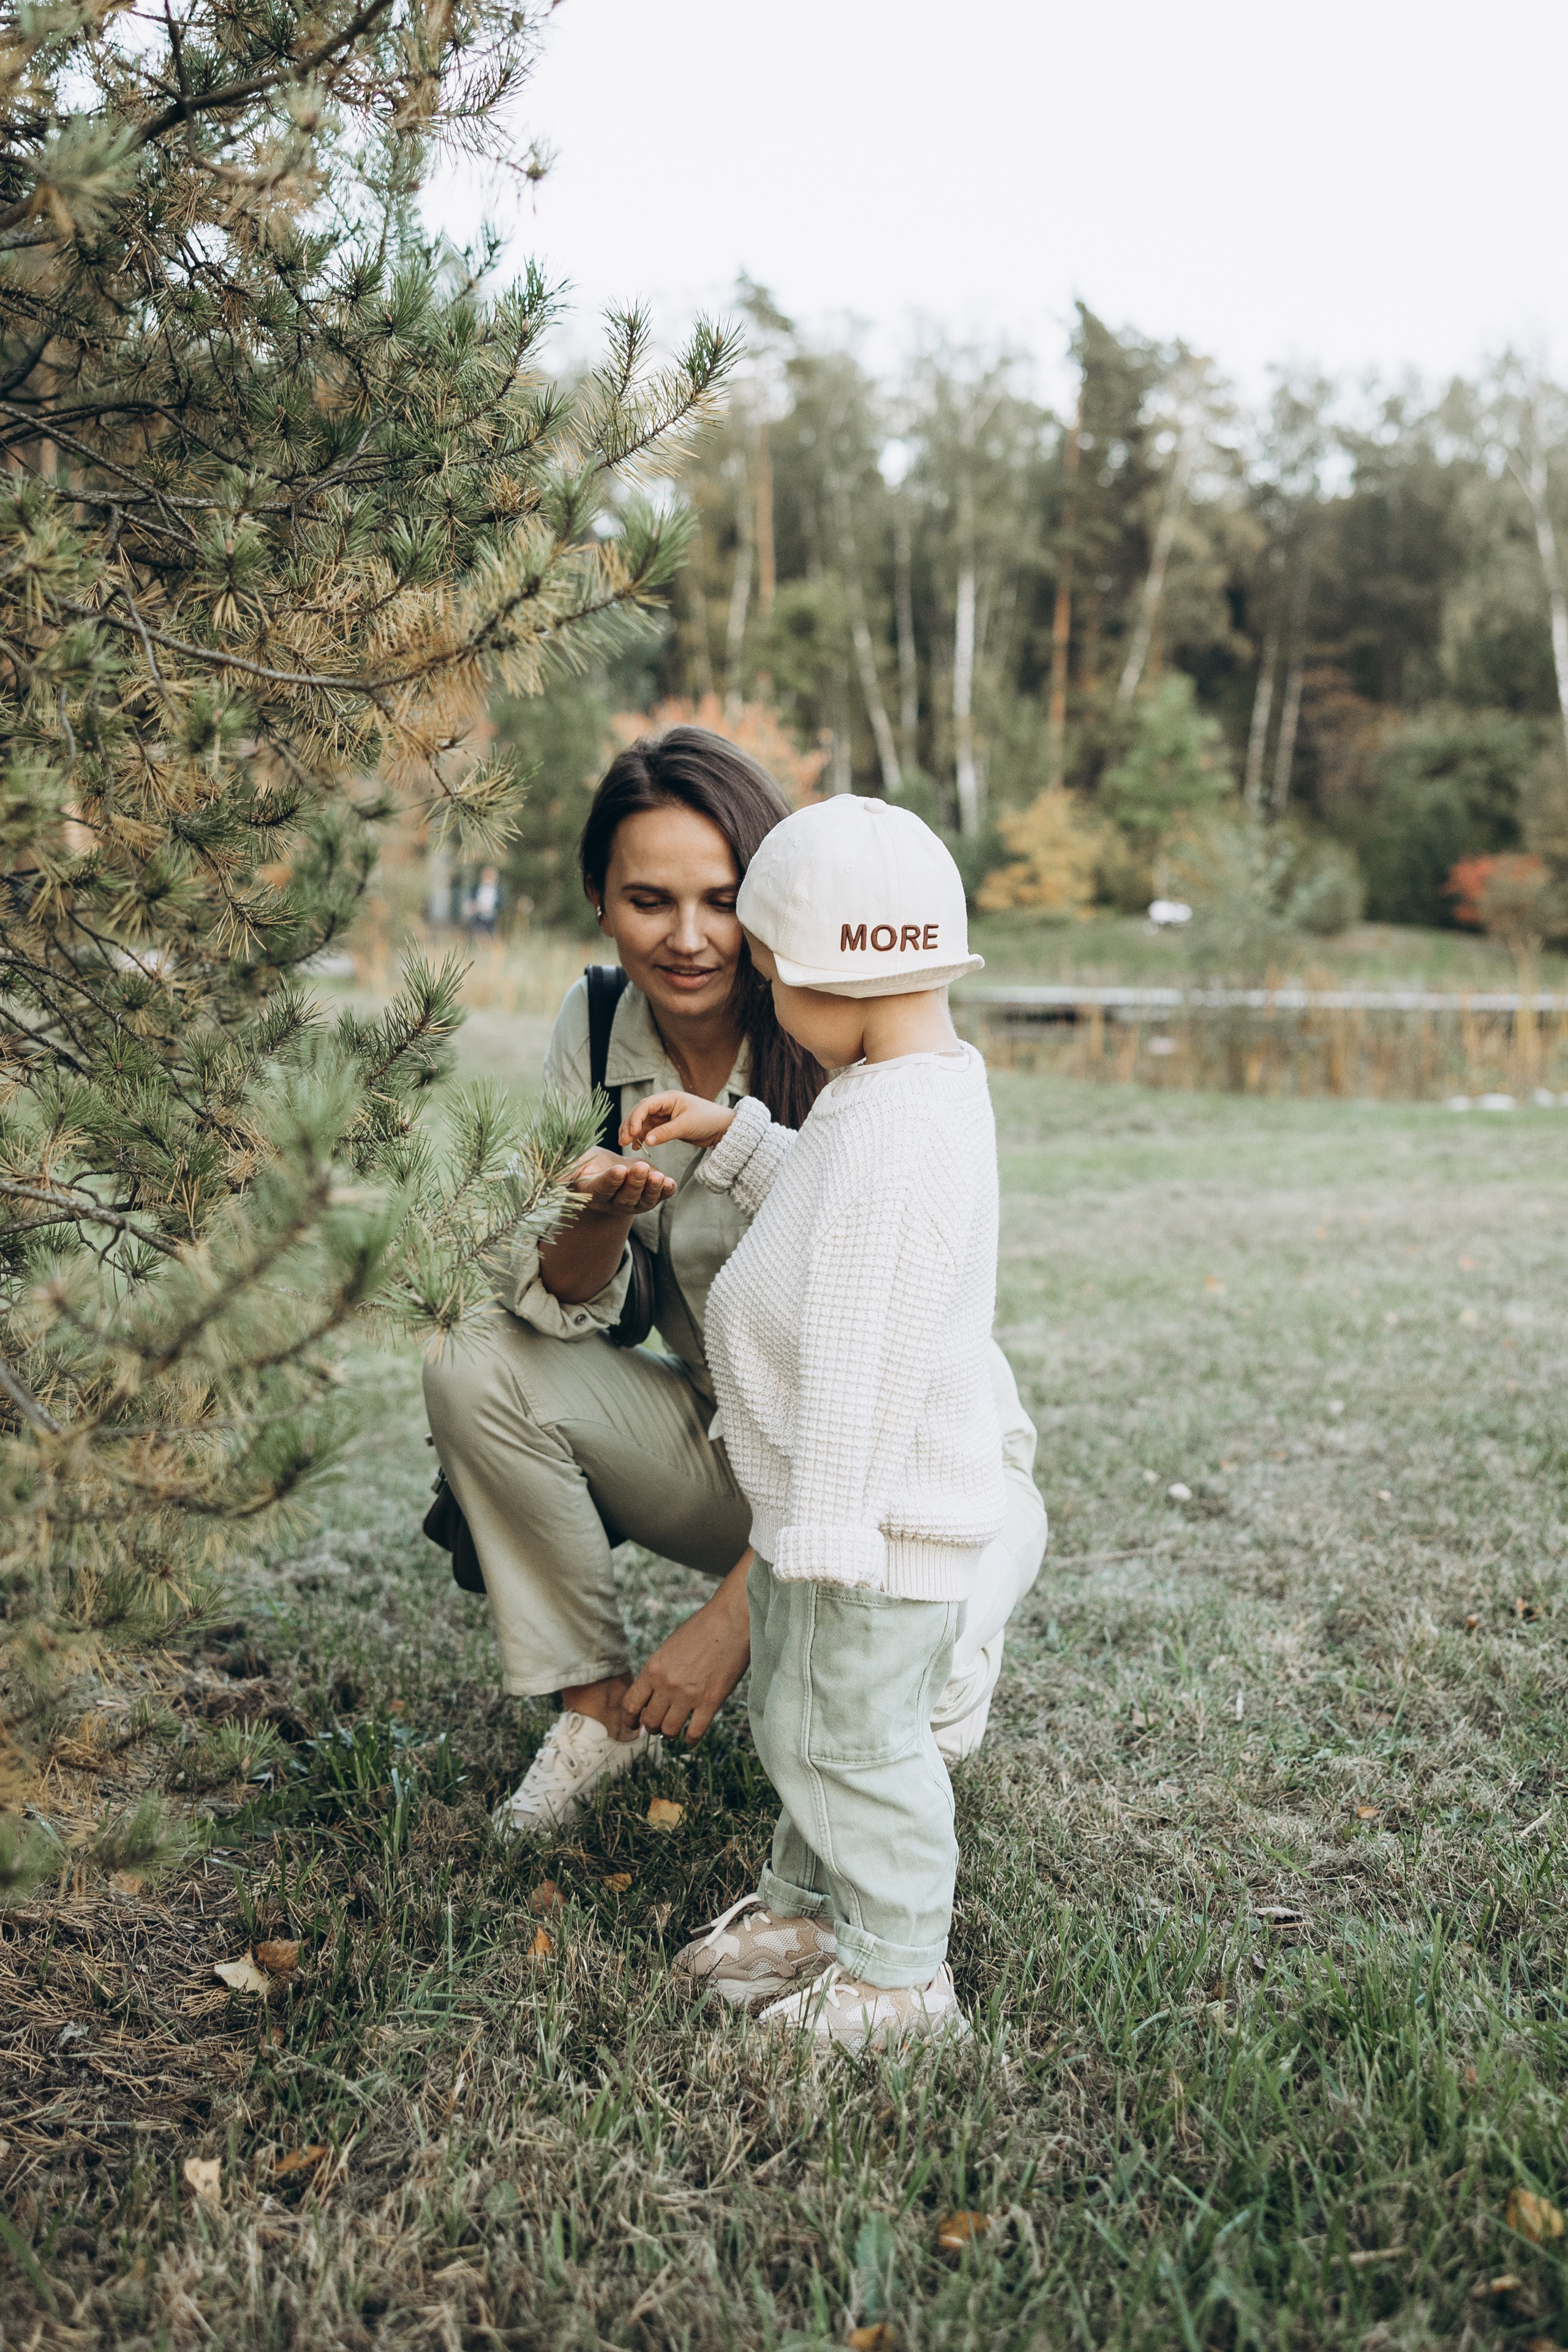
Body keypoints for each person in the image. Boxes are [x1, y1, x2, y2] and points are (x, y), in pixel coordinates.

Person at [421, 728, 1046, 1842]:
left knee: (867, 1714)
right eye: (651, 900)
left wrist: (730, 1620)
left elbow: (862, 1396)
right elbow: (569, 1301)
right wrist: (599, 1217)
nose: (692, 938)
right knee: (470, 1352)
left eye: (723, 901)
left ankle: (945, 1654)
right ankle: (599, 1713)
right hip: (745, 1440)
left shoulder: (850, 1029)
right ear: (601, 904)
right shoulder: (595, 1024)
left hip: (911, 1483)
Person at [632, 795, 1001, 2048]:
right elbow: (829, 1209)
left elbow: (855, 1344)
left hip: (864, 1524)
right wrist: (736, 1141)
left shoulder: (896, 1130)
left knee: (853, 1739)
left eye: (772, 976)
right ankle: (812, 1907)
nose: (767, 1002)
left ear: (827, 975)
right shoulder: (903, 1087)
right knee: (807, 1717)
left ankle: (900, 1979)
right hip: (837, 1514)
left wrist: (829, 1529)